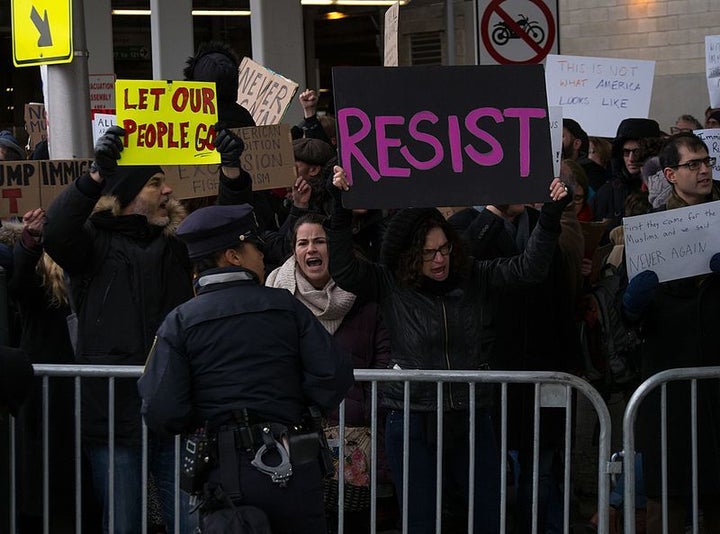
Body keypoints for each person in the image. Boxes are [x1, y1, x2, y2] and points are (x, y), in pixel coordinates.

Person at [327, 166, 571, 533]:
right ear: (409, 256)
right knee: (421, 519)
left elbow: (529, 269)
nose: (439, 260)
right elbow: (344, 268)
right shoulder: (390, 284)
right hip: (410, 417)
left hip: (470, 413)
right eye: (428, 254)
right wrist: (340, 205)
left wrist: (550, 217)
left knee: (486, 515)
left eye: (443, 249)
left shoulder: (473, 276)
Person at [138, 203, 354, 534]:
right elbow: (334, 375)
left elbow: (162, 409)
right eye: (255, 247)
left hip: (224, 475)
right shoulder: (285, 307)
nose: (261, 256)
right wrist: (292, 405)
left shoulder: (180, 321)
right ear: (233, 256)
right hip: (293, 464)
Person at [41, 126, 202, 534]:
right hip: (112, 414)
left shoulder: (177, 244)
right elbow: (57, 231)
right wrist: (94, 177)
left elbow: (227, 232)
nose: (167, 191)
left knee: (188, 519)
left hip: (172, 407)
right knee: (123, 522)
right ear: (130, 195)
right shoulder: (91, 244)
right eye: (154, 183)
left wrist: (234, 177)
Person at [265, 212, 393, 533]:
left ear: (334, 247)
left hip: (357, 441)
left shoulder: (365, 296)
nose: (312, 249)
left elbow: (382, 361)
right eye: (303, 242)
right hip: (297, 435)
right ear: (293, 251)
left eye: (320, 241)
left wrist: (368, 418)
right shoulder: (276, 300)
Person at [623, 132, 720, 534]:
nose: (703, 170)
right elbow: (628, 319)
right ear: (670, 174)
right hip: (669, 389)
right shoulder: (649, 231)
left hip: (715, 388)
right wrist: (630, 303)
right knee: (668, 504)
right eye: (692, 164)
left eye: (707, 162)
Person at [592, 118, 661, 230]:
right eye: (626, 152)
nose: (631, 159)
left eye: (637, 152)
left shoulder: (666, 191)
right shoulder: (607, 192)